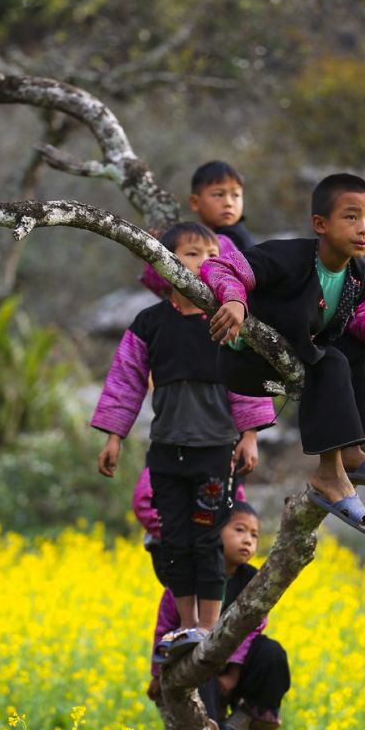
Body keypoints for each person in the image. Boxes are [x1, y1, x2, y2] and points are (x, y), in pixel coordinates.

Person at [92, 221, 275, 658]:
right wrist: (114, 437)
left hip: (215, 452)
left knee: (208, 538)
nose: (206, 262)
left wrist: (249, 436)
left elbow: (246, 383)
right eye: (193, 253)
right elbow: (125, 381)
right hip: (166, 454)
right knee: (173, 540)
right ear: (167, 263)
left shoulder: (227, 319)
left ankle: (208, 628)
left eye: (214, 254)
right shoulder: (149, 323)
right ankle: (187, 626)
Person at [201, 173, 365, 537]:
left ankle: (352, 452)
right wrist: (234, 299)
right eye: (351, 217)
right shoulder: (288, 257)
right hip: (250, 363)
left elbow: (358, 314)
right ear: (320, 224)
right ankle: (329, 472)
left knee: (364, 349)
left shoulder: (358, 273)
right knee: (331, 361)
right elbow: (219, 266)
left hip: (302, 353)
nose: (364, 228)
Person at [145, 494, 291, 730]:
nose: (247, 540)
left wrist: (233, 673)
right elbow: (165, 625)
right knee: (200, 659)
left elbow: (253, 629)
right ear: (214, 532)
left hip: (239, 663)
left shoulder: (254, 580)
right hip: (201, 662)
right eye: (240, 530)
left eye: (254, 535)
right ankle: (208, 725)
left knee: (272, 653)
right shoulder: (189, 574)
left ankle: (252, 713)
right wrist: (157, 673)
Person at [140, 159, 254, 300]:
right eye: (219, 194)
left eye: (235, 195)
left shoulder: (232, 238)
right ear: (195, 202)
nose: (229, 203)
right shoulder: (200, 235)